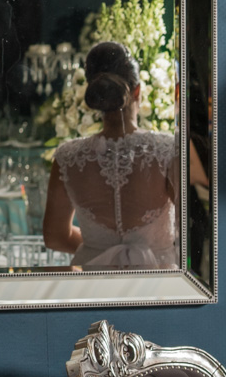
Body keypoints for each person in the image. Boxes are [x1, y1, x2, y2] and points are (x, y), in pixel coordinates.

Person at [42, 41, 178, 269]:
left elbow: (55, 237)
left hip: (94, 281)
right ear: (137, 91)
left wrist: (102, 252)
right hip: (157, 281)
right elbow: (192, 229)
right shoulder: (167, 150)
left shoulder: (67, 157)